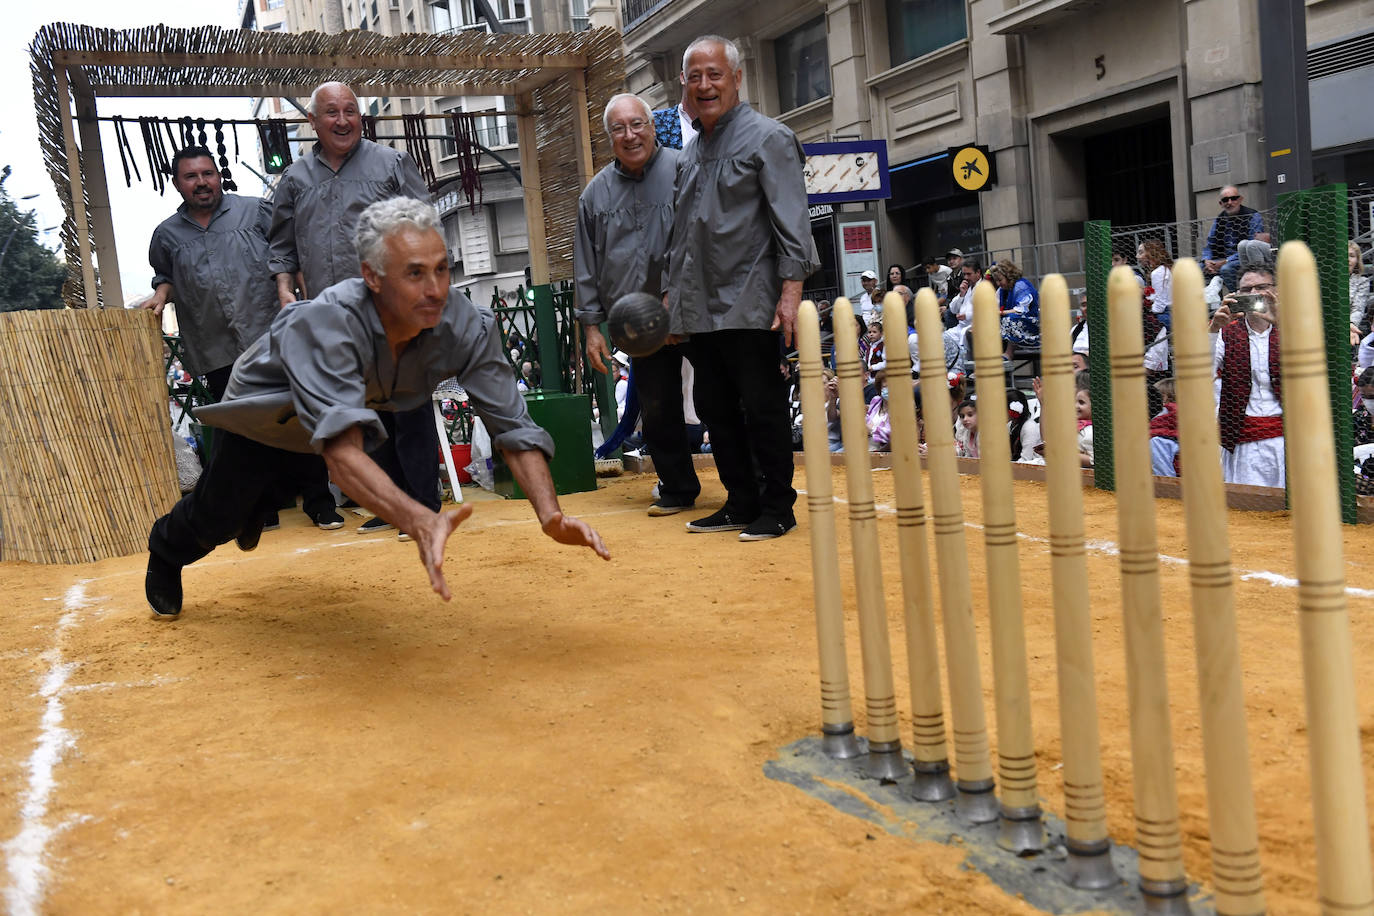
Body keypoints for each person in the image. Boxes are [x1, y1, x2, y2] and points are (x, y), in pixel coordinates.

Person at [144, 198, 609, 620]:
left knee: (283, 485)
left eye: (442, 269)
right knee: (217, 516)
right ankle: (165, 549)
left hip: (334, 415)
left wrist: (550, 515)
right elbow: (344, 458)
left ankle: (258, 502)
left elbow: (513, 427)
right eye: (414, 273)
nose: (435, 289)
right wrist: (419, 519)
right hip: (267, 410)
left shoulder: (468, 325)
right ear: (371, 277)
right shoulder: (331, 321)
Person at [268, 80, 439, 537]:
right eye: (331, 113)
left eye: (350, 111)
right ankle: (389, 506)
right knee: (369, 411)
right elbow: (281, 246)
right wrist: (285, 287)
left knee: (408, 407)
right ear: (312, 122)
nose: (342, 121)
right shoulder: (296, 179)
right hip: (336, 317)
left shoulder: (390, 164)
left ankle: (423, 506)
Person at [665, 34, 818, 541]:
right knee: (713, 405)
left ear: (736, 78)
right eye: (695, 76)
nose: (704, 84)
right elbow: (680, 234)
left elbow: (792, 223)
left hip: (753, 300)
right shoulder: (688, 154)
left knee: (763, 405)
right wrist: (671, 296)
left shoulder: (769, 138)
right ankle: (739, 500)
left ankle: (778, 506)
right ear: (683, 85)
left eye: (714, 74)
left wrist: (791, 292)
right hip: (699, 306)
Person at [145, 146, 344, 532]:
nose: (201, 182)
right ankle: (261, 507)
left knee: (295, 418)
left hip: (269, 335)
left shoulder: (255, 211)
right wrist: (159, 295)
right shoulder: (167, 234)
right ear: (177, 183)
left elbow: (289, 253)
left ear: (218, 176)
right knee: (242, 432)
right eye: (191, 176)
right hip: (215, 344)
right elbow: (163, 275)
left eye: (208, 173)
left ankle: (320, 503)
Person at [575, 92, 699, 516]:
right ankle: (677, 488)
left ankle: (748, 483)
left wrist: (675, 293)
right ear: (608, 137)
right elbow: (586, 266)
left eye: (637, 124)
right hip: (640, 325)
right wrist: (592, 327)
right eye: (619, 128)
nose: (630, 135)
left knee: (719, 399)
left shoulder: (684, 169)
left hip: (695, 310)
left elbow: (698, 239)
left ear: (652, 126)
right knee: (658, 405)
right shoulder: (594, 196)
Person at [1209, 264, 1284, 488]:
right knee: (1247, 507)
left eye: (1261, 287)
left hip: (1288, 440)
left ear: (1277, 290)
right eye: (1246, 289)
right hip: (1242, 440)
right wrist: (1214, 329)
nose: (1253, 294)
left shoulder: (1295, 328)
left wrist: (1283, 323)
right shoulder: (1226, 332)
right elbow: (1200, 373)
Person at [1201, 186, 1266, 291]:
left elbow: (1252, 245)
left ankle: (1236, 297)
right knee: (1198, 269)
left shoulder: (1252, 216)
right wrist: (1206, 260)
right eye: (1225, 200)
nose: (1229, 202)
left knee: (1226, 269)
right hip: (1220, 260)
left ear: (1240, 199)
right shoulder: (1219, 220)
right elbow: (1210, 243)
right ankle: (1211, 303)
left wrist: (1226, 261)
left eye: (1233, 198)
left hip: (1244, 258)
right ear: (1220, 203)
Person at [992, 260, 1040, 356]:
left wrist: (1001, 313)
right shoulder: (1002, 290)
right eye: (996, 281)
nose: (998, 283)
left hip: (1030, 321)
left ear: (1008, 276)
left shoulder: (1021, 285)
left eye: (1000, 280)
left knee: (1008, 320)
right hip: (1017, 320)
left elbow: (1021, 310)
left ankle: (1009, 353)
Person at [865, 367, 892, 452]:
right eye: (884, 387)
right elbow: (867, 419)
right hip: (866, 445)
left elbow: (893, 434)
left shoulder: (901, 406)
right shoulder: (876, 400)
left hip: (884, 451)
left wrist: (872, 430)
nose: (887, 390)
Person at [1350, 241, 1370, 340]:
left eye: (1351, 256)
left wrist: (1351, 325)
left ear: (1357, 260)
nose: (1347, 259)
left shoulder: (1362, 282)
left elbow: (1358, 309)